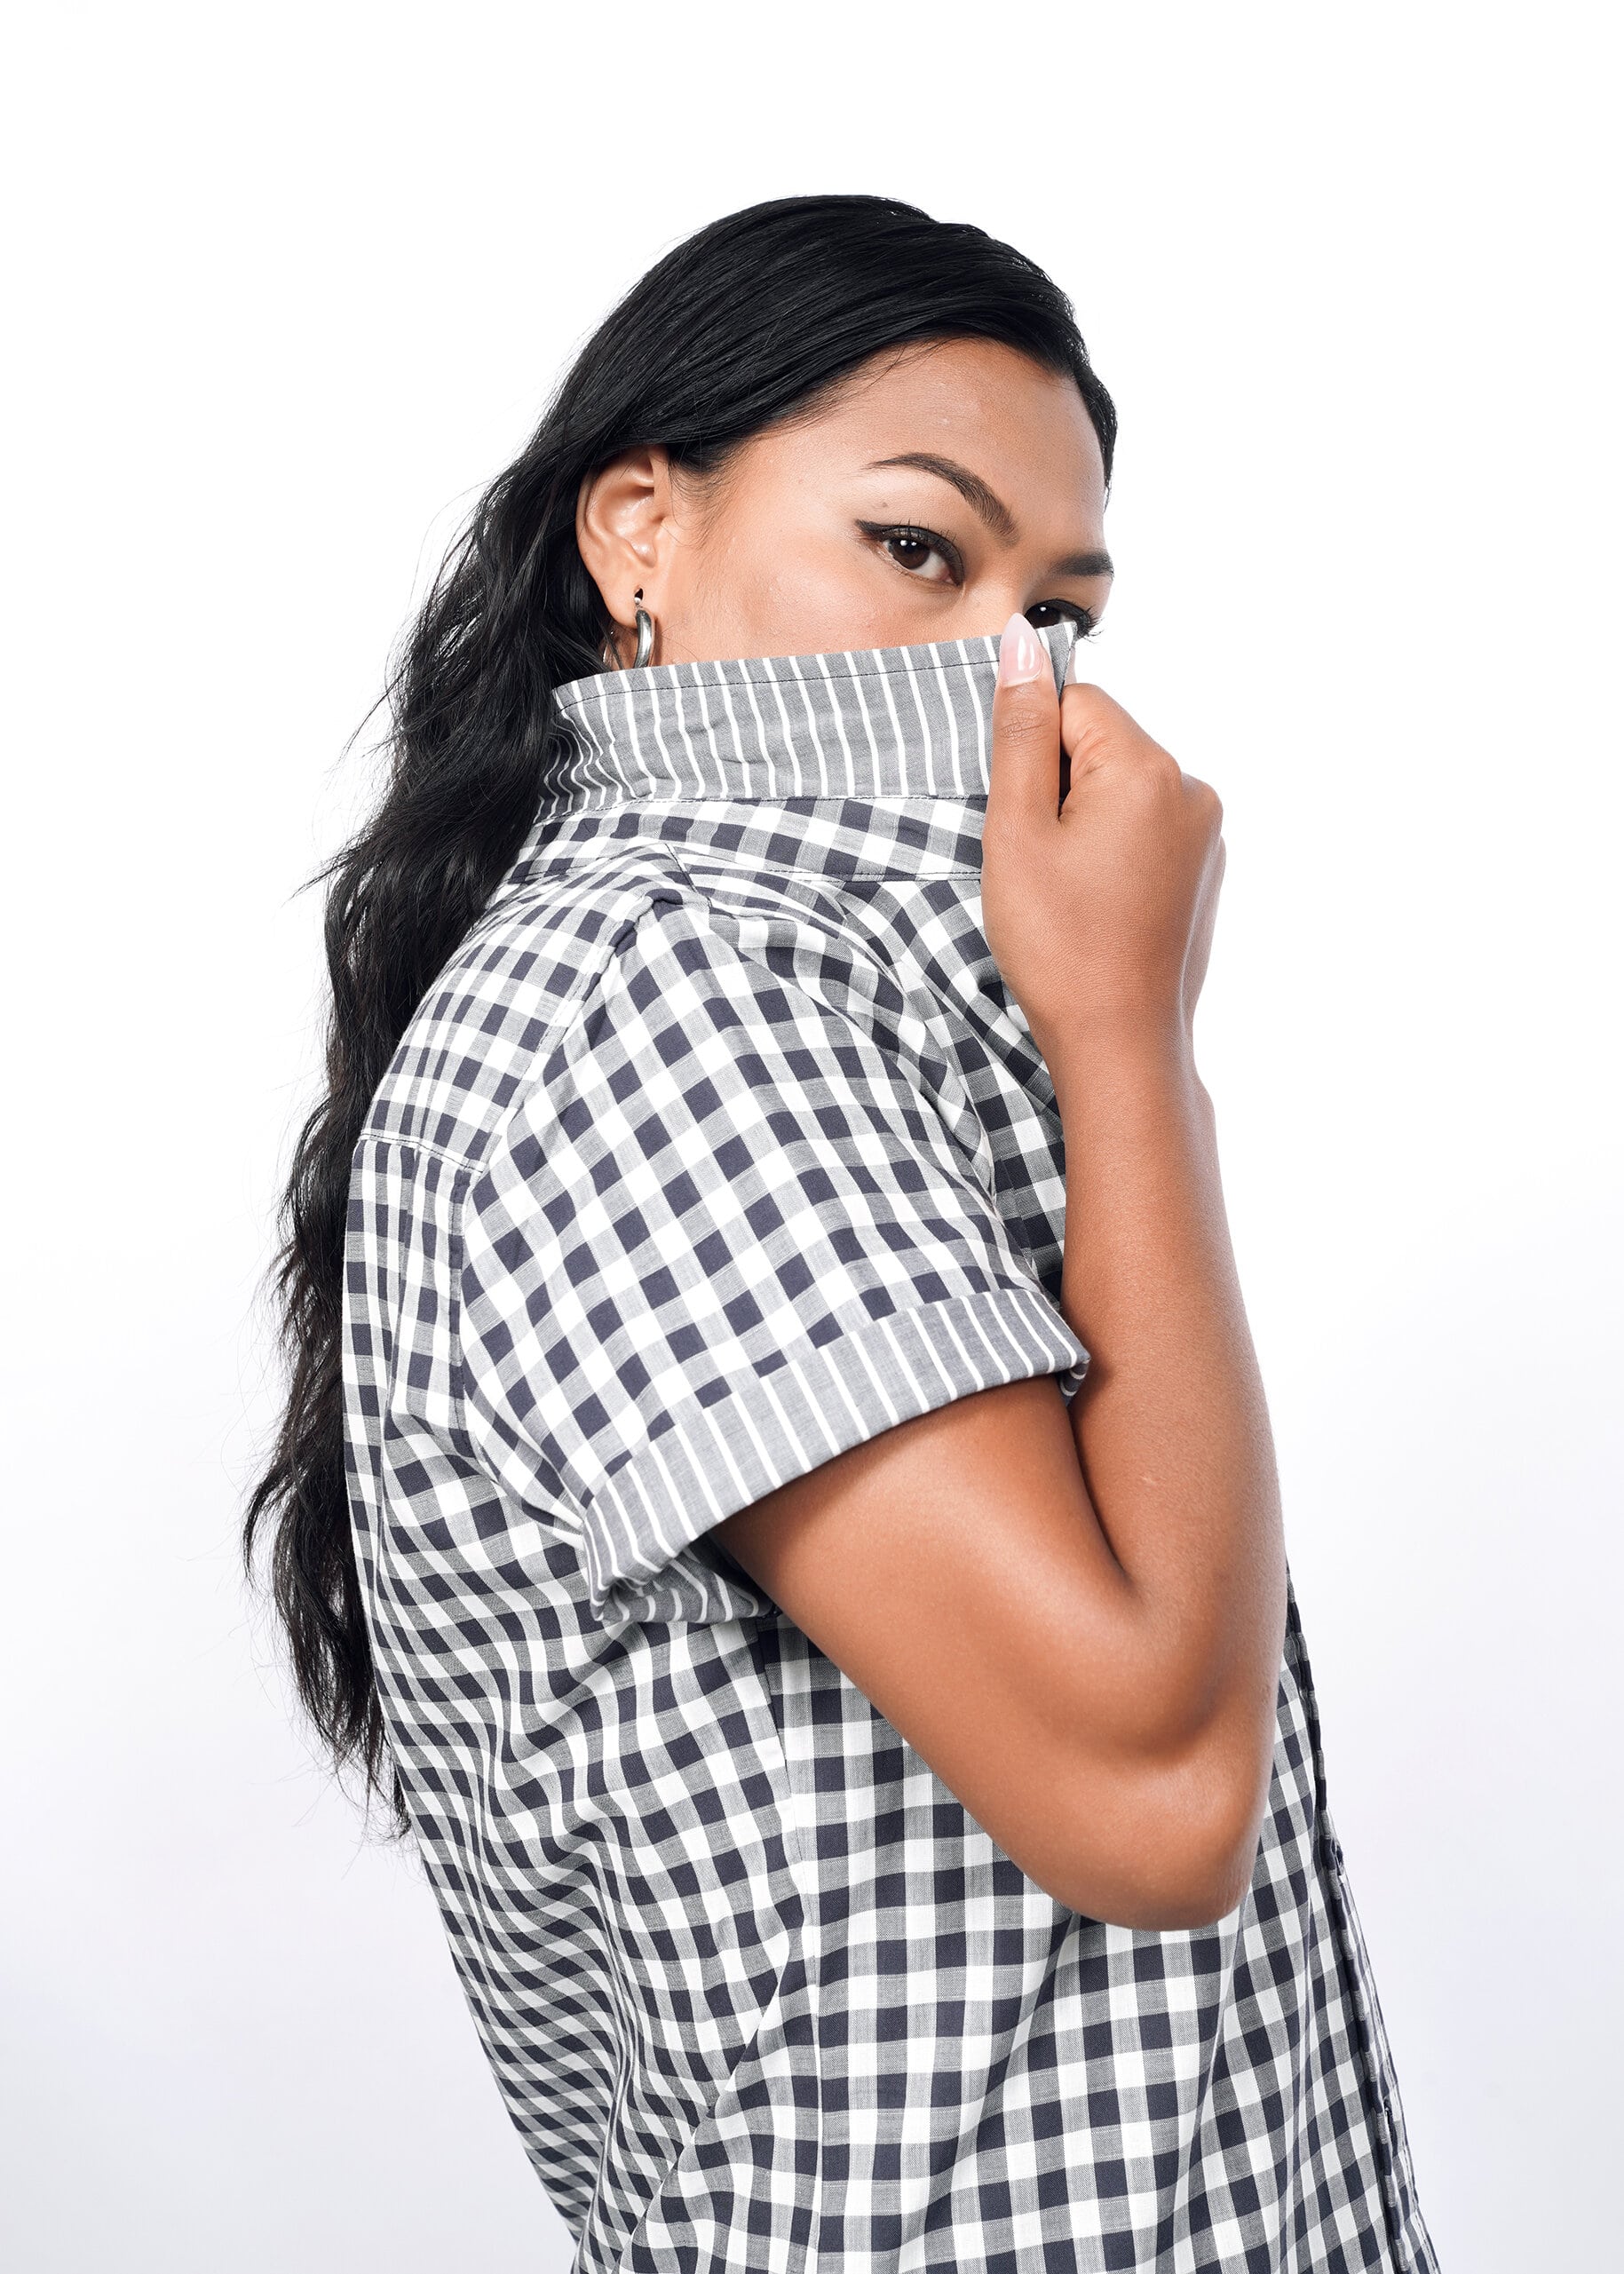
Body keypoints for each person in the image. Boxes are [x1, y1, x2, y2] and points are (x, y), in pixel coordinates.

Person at [248, 194, 1438, 2270]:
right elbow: (1152, 1800)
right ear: (641, 532)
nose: (1006, 668)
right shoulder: (658, 1003)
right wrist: (1124, 1036)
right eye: (918, 548)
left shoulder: (823, 979)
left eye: (1059, 609)